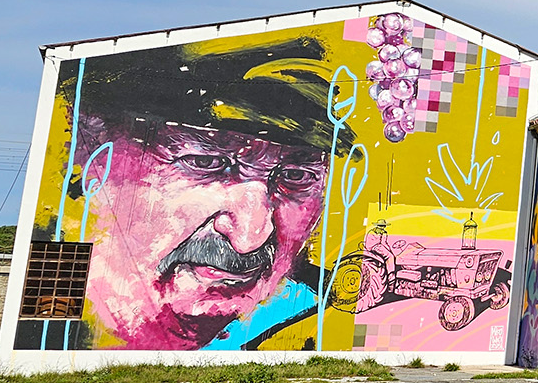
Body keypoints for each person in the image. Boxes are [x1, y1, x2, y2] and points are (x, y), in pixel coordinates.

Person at [50, 37, 347, 350]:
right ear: (91, 162)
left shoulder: (313, 316)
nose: (250, 237)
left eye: (296, 176)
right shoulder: (52, 305)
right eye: (204, 162)